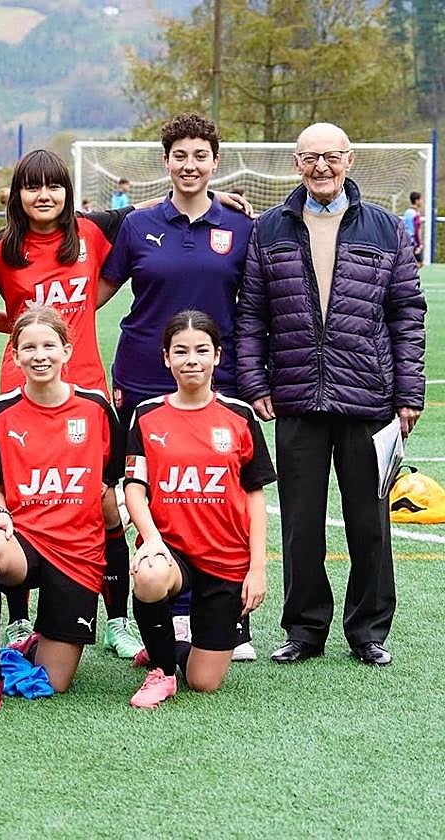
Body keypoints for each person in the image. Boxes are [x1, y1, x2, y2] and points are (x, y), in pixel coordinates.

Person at [236, 122, 427, 667]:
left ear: (350, 159)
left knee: (370, 524)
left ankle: (368, 631)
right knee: (300, 526)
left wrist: (408, 392)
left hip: (369, 397)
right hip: (296, 397)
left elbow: (406, 314)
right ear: (296, 163)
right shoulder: (269, 229)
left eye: (332, 157)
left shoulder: (385, 228)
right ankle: (303, 630)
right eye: (310, 157)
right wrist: (254, 381)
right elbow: (251, 313)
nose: (321, 166)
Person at [99, 112, 258, 661]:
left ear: (215, 161)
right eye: (179, 155)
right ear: (165, 162)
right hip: (143, 376)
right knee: (157, 495)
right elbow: (91, 294)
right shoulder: (139, 225)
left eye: (200, 155)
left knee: (219, 495)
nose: (189, 165)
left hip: (219, 379)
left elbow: (256, 306)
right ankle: (169, 613)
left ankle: (227, 615)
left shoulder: (241, 227)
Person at [0, 149, 138, 658]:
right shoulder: (2, 249)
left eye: (54, 186)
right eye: (32, 187)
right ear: (17, 195)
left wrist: (216, 197)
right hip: (20, 390)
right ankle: (18, 620)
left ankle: (118, 620)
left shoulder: (91, 234)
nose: (43, 196)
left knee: (102, 502)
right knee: (22, 503)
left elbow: (150, 211)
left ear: (68, 193)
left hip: (85, 390)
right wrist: (8, 325)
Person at [0, 308, 121, 712]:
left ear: (67, 350)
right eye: (28, 347)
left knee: (54, 682)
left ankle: (36, 640)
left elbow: (110, 479)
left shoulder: (96, 409)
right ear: (14, 355)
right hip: (25, 541)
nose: (40, 355)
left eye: (49, 345)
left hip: (79, 552)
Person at [124, 311, 275, 708]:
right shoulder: (147, 415)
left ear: (217, 356)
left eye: (201, 350)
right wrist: (152, 541)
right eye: (181, 351)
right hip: (172, 550)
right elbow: (135, 489)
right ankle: (161, 669)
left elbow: (255, 497)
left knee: (205, 682)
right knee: (151, 573)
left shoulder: (240, 416)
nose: (191, 359)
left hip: (225, 559)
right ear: (166, 358)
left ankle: (166, 647)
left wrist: (256, 569)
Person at [403, 191, 424, 267]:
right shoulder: (415, 214)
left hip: (405, 241)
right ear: (416, 200)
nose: (422, 202)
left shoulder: (407, 212)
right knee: (418, 263)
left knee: (411, 263)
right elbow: (416, 231)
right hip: (413, 242)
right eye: (421, 199)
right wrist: (419, 245)